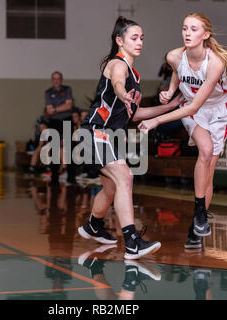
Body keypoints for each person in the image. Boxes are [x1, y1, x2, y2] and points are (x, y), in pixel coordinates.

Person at [77, 16, 183, 260]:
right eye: (134, 37)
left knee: (112, 187)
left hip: (109, 136)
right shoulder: (119, 65)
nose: (140, 42)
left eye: (142, 38)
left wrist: (171, 106)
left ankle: (93, 225)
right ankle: (133, 242)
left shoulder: (134, 73)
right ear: (119, 40)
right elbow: (116, 83)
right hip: (95, 132)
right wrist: (123, 93)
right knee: (125, 176)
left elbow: (135, 115)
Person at [138, 12, 227, 249]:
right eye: (185, 28)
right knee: (204, 150)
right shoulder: (174, 56)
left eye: (194, 29)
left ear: (205, 35)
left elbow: (197, 104)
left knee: (209, 169)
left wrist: (157, 120)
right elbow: (178, 71)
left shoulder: (215, 62)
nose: (187, 33)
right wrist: (171, 90)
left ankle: (196, 225)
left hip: (216, 111)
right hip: (192, 109)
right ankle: (199, 213)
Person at [44, 71, 73, 185]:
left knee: (69, 149)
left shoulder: (67, 89)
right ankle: (54, 178)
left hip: (66, 121)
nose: (56, 81)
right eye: (54, 79)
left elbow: (69, 105)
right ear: (52, 80)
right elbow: (48, 110)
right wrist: (62, 106)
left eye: (58, 78)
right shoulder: (48, 92)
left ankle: (71, 177)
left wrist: (55, 109)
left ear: (61, 80)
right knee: (54, 150)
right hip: (54, 122)